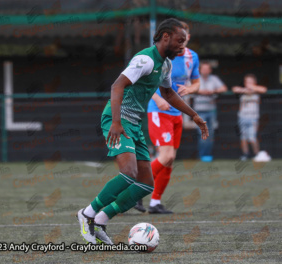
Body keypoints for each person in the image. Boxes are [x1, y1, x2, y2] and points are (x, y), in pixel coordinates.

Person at [77, 18, 209, 245]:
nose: (182, 46)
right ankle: (87, 214)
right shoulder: (145, 59)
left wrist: (194, 115)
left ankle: (100, 219)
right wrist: (116, 123)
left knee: (146, 184)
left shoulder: (165, 64)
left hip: (135, 124)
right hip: (117, 120)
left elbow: (168, 94)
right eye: (179, 41)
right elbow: (117, 85)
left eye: (184, 42)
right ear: (165, 37)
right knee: (129, 173)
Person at [134, 21, 200, 215]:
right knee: (166, 155)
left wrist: (190, 88)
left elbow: (197, 83)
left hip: (176, 113)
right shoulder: (160, 55)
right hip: (158, 111)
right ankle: (136, 190)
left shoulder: (191, 57)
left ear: (188, 37)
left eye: (184, 35)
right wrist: (156, 98)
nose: (181, 39)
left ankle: (155, 202)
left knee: (170, 160)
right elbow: (144, 79)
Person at [193, 61, 227, 162]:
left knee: (210, 135)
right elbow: (188, 89)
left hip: (211, 110)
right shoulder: (195, 79)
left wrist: (213, 91)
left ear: (210, 70)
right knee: (202, 134)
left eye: (207, 69)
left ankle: (207, 156)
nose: (205, 71)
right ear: (200, 70)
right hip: (199, 111)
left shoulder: (214, 79)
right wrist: (202, 92)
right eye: (203, 69)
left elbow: (224, 88)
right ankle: (202, 155)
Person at [232, 74, 270, 162]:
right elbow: (235, 89)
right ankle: (245, 154)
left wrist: (252, 88)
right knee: (243, 137)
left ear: (254, 82)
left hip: (253, 117)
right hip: (242, 117)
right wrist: (245, 90)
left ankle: (257, 154)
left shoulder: (256, 90)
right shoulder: (243, 91)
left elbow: (264, 90)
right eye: (247, 82)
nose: (248, 83)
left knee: (252, 137)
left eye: (250, 82)